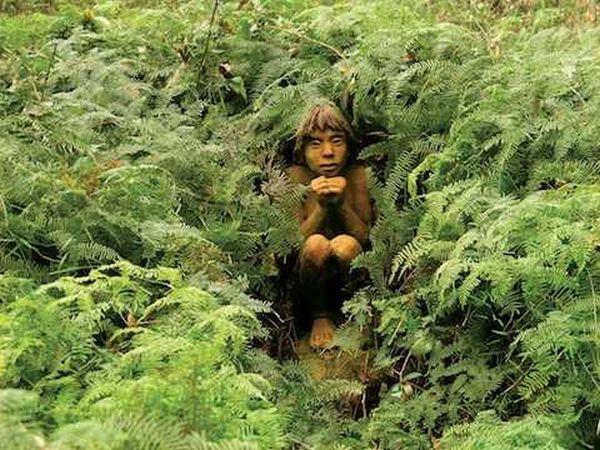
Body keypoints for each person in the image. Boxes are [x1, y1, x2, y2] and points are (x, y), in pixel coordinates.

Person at [288, 104, 372, 349]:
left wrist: (342, 205)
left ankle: (352, 314)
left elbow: (366, 238)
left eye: (336, 141)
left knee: (345, 245)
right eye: (316, 143)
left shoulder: (358, 176)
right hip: (308, 277)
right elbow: (292, 241)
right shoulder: (295, 178)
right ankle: (320, 315)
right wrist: (322, 208)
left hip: (350, 270)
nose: (328, 152)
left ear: (349, 146)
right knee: (316, 245)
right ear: (302, 150)